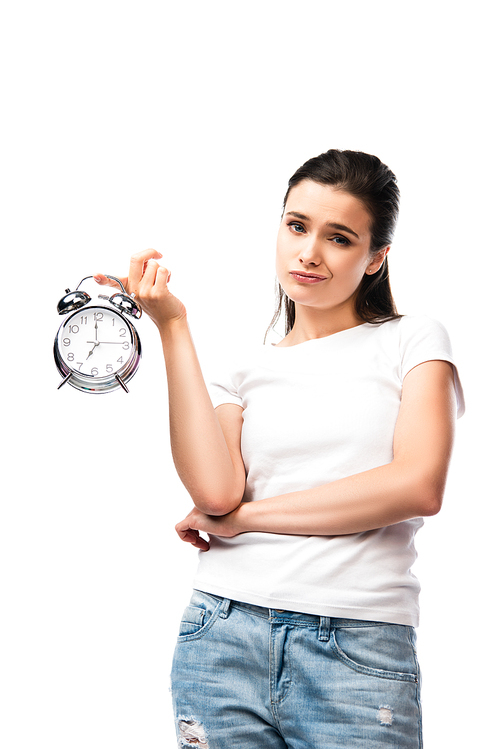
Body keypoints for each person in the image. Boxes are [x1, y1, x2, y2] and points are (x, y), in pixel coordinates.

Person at [95, 149, 464, 748]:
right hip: (222, 634)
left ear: (375, 258)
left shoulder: (413, 340)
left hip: (357, 645)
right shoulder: (244, 369)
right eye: (297, 226)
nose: (309, 252)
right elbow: (215, 492)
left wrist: (244, 521)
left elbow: (417, 486)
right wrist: (172, 325)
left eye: (339, 237)